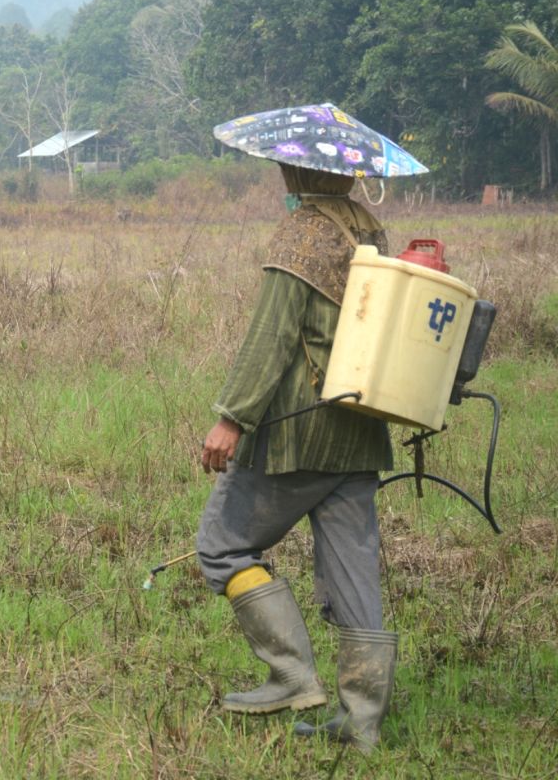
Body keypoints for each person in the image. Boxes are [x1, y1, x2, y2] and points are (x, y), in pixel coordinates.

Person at [195, 162, 398, 752]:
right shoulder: (368, 229)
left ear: (295, 168)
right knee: (354, 574)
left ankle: (290, 674)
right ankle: (361, 721)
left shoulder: (303, 233)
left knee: (222, 545)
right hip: (360, 431)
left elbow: (272, 334)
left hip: (298, 434)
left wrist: (232, 418)